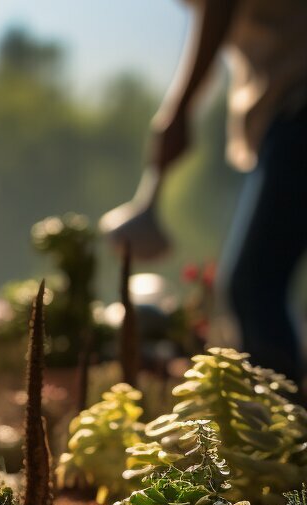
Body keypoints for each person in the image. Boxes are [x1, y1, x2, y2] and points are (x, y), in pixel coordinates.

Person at [112, 0, 307, 381]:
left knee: (253, 287)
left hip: (298, 107)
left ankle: (282, 434)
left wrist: (180, 109)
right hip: (289, 108)